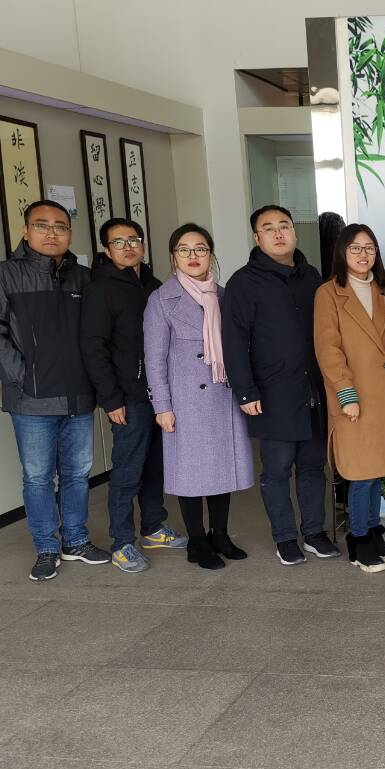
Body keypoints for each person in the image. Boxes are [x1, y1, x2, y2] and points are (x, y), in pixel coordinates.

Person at [0, 199, 108, 581]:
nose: (52, 233)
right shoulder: (0, 276)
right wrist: (23, 377)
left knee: (78, 474)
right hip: (30, 401)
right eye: (42, 225)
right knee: (37, 477)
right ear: (25, 231)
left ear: (70, 233)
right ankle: (46, 547)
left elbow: (98, 334)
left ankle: (75, 540)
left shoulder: (84, 278)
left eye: (60, 226)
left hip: (79, 396)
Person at [221, 205, 339, 566]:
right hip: (272, 393)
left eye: (284, 226)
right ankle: (285, 537)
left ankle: (314, 532)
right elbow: (234, 341)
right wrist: (245, 391)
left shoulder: (311, 275)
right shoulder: (244, 282)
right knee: (276, 470)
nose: (278, 233)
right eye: (268, 228)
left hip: (313, 390)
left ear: (294, 232)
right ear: (257, 237)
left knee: (313, 465)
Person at [144, 224, 255, 569]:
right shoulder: (161, 299)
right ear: (172, 257)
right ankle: (196, 541)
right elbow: (154, 358)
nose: (193, 256)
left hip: (222, 395)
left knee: (220, 469)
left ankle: (219, 534)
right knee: (190, 474)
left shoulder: (223, 295)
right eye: (184, 249)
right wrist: (162, 406)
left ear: (211, 254)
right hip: (185, 403)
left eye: (201, 248)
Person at [81, 217, 186, 573]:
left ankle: (153, 527)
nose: (128, 247)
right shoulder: (101, 289)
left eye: (134, 240)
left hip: (160, 394)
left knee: (155, 465)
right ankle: (122, 542)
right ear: (106, 250)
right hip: (128, 397)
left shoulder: (154, 286)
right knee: (128, 470)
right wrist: (111, 399)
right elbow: (93, 347)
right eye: (119, 242)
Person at [314, 224, 385, 573]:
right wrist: (346, 393)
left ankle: (374, 533)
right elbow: (328, 348)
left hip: (382, 395)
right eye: (355, 248)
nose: (363, 254)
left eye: (369, 247)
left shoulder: (384, 290)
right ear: (342, 252)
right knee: (360, 473)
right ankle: (358, 541)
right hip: (353, 396)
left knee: (377, 471)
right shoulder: (328, 293)